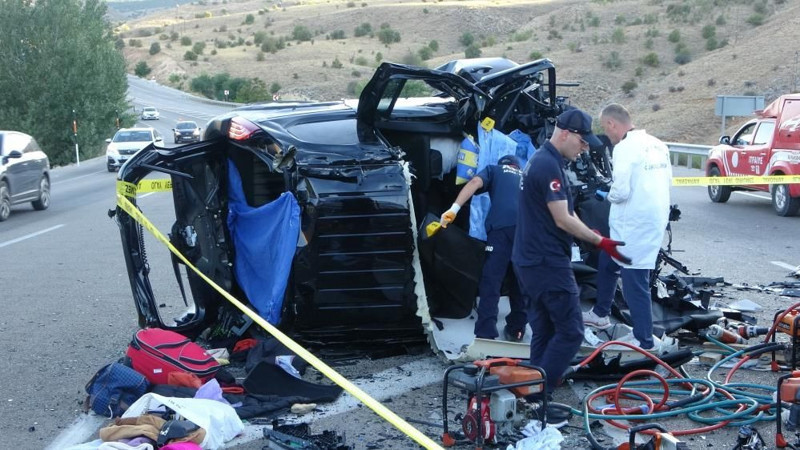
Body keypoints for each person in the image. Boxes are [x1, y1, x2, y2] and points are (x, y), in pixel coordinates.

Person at [512, 108, 630, 396]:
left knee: (546, 330)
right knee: (571, 332)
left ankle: (531, 391)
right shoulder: (547, 166)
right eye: (582, 142)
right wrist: (600, 242)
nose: (584, 149)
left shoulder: (544, 160)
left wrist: (593, 235)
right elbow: (562, 218)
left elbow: (567, 212)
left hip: (529, 260)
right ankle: (541, 394)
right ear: (566, 134)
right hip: (546, 261)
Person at [583, 103, 672, 351]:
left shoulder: (623, 148)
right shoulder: (658, 144)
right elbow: (667, 182)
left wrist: (605, 194)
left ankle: (643, 340)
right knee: (608, 262)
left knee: (635, 280)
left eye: (605, 127)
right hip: (653, 218)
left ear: (612, 124)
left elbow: (620, 192)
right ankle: (601, 313)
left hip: (636, 224)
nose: (607, 133)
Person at [440, 154, 527, 341]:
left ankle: (486, 333)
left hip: (501, 228)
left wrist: (453, 209)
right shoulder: (526, 177)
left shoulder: (493, 170)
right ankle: (517, 329)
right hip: (527, 232)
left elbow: (474, 183)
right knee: (520, 281)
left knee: (492, 280)